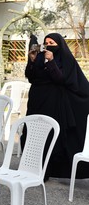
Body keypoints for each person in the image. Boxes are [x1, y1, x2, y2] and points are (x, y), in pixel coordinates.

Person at [25, 32, 89, 179]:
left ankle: (49, 170)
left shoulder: (66, 60)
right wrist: (33, 61)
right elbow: (31, 77)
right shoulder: (40, 57)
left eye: (52, 43)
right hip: (37, 102)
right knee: (35, 133)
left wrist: (52, 61)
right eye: (46, 43)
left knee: (50, 135)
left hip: (53, 104)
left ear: (59, 46)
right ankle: (33, 166)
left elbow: (61, 79)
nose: (48, 46)